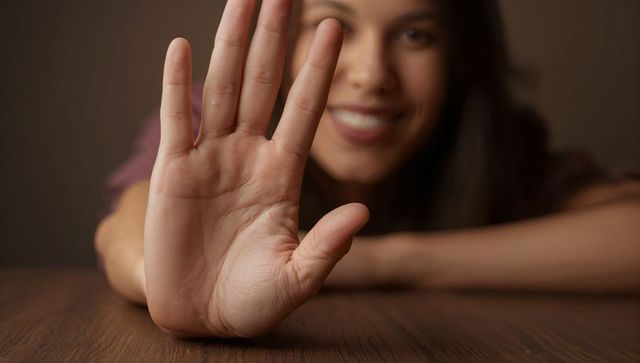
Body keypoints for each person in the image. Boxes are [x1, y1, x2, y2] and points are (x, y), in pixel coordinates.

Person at [94, 0, 640, 338]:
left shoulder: (495, 142)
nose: (372, 75)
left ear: (459, 59)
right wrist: (167, 280)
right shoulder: (218, 125)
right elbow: (127, 227)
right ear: (283, 48)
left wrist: (390, 261)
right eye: (333, 25)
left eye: (415, 35)